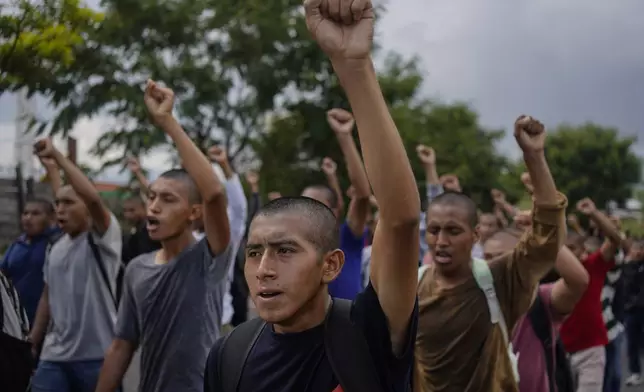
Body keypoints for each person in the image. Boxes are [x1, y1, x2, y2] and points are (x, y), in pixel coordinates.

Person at [204, 0, 421, 389]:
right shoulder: (230, 354)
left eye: (285, 250)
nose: (264, 269)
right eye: (254, 252)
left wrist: (353, 67)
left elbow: (401, 218)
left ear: (331, 266)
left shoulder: (367, 335)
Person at [94, 80, 232, 392]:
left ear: (194, 213)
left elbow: (213, 193)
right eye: (151, 197)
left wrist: (166, 121)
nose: (153, 207)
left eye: (168, 200)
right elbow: (121, 346)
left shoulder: (208, 259)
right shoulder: (137, 269)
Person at [415, 115, 567, 392]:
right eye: (434, 230)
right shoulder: (412, 286)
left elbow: (547, 238)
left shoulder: (498, 278)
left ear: (475, 236)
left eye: (453, 230)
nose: (441, 241)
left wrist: (534, 157)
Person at [29, 138, 123, 392]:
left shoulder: (103, 239)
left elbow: (91, 199)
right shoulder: (56, 247)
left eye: (68, 204)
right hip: (54, 357)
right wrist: (33, 341)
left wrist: (58, 157)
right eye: (57, 204)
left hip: (97, 357)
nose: (60, 209)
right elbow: (48, 297)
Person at [484, 228, 588, 392]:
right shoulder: (472, 302)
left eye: (500, 256)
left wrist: (542, 233)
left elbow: (578, 281)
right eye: (487, 257)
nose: (492, 264)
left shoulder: (541, 300)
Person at [302, 108, 371, 300]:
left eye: (314, 205)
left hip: (350, 326)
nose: (306, 211)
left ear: (332, 212)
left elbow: (363, 195)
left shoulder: (347, 237)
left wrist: (344, 136)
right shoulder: (294, 243)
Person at [559, 198, 624, 392]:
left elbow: (615, 240)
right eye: (565, 249)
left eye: (573, 249)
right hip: (558, 349)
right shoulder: (550, 272)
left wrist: (594, 214)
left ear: (583, 251)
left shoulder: (593, 266)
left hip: (591, 349)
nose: (569, 254)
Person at [0, 196, 59, 326]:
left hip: (48, 321)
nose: (28, 217)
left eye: (36, 213)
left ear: (51, 217)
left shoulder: (57, 242)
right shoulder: (18, 243)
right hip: (16, 319)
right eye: (25, 213)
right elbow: (3, 272)